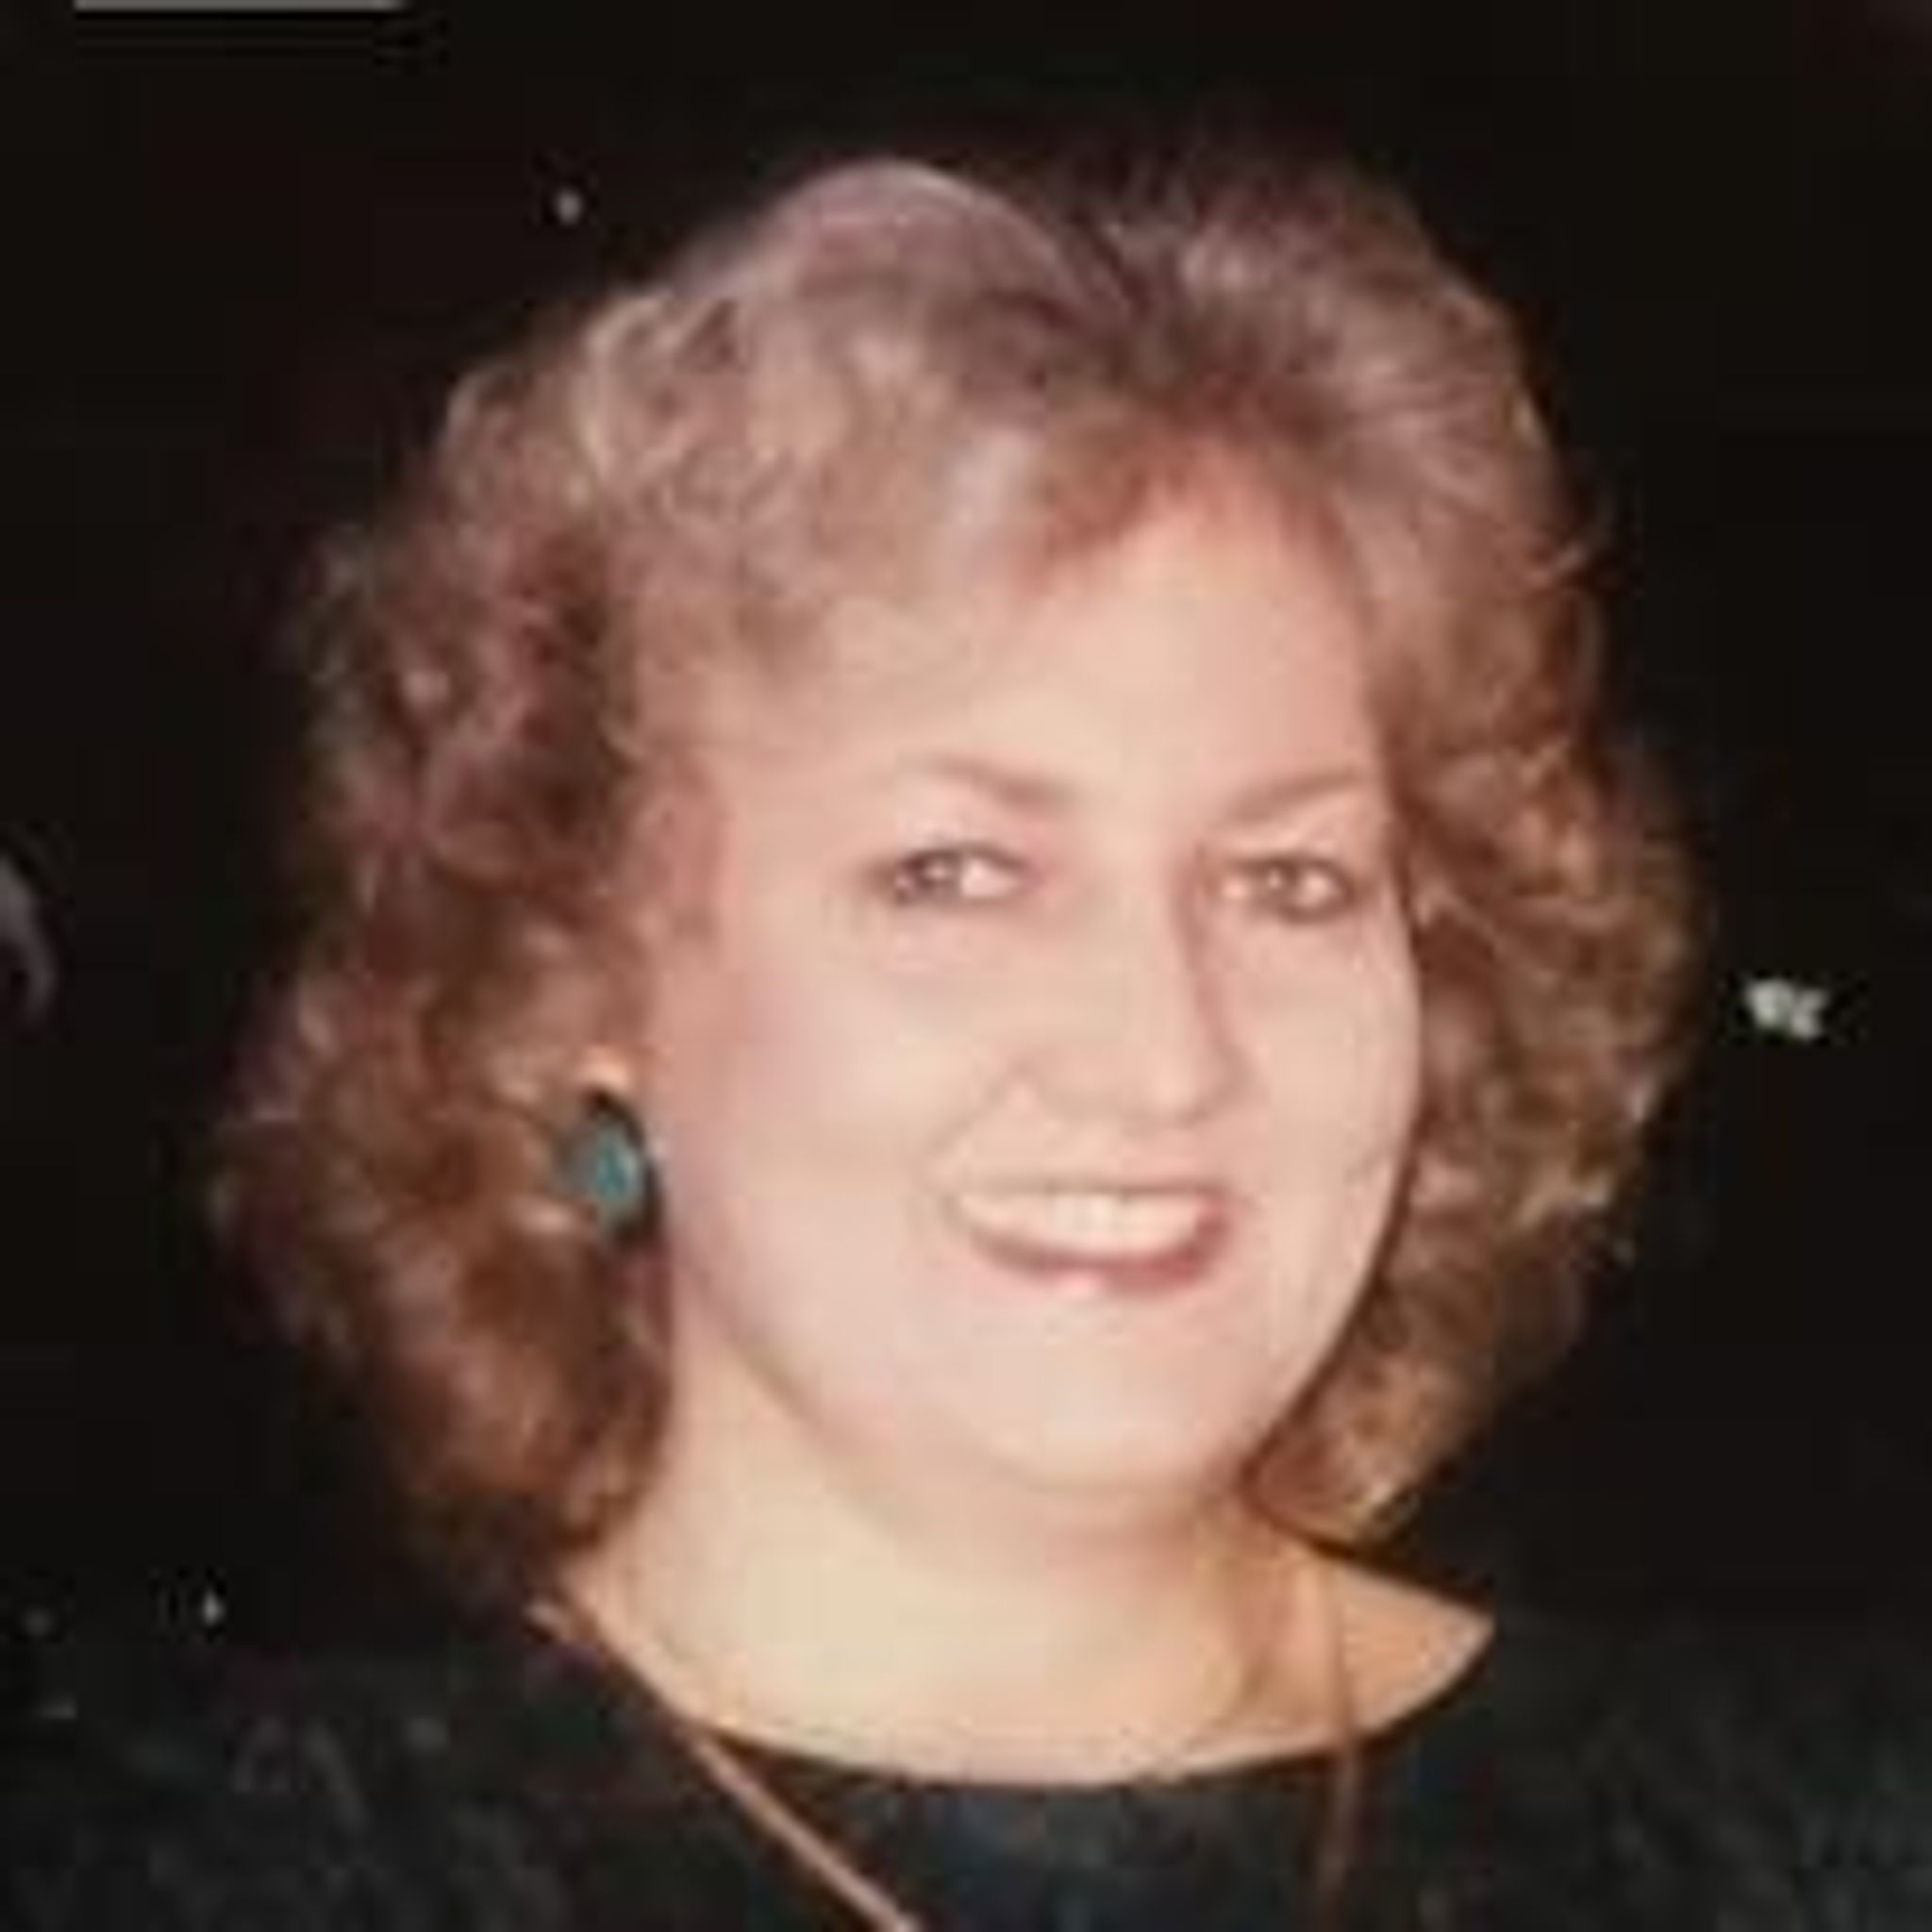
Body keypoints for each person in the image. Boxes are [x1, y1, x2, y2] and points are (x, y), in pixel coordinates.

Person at [8, 139, 1932, 1929]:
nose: (1162, 1056)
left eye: (1288, 880)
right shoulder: (173, 1868)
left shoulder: (1825, 1839)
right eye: (956, 873)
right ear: (573, 969)